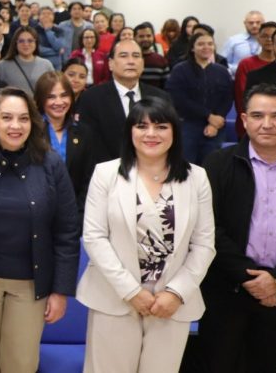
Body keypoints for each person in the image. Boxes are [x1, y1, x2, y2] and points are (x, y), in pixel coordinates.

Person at [77, 97, 215, 372]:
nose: (151, 134)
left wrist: (176, 293)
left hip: (170, 303)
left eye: (161, 126)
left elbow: (204, 244)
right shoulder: (106, 174)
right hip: (115, 297)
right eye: (142, 126)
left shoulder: (196, 177)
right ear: (130, 132)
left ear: (174, 132)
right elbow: (94, 237)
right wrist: (131, 291)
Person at [0, 88, 80, 373]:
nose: (15, 126)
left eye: (23, 119)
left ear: (32, 123)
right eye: (7, 117)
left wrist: (61, 290)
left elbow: (67, 231)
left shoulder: (51, 164)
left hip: (31, 285)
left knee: (20, 364)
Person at [199, 84, 276, 372]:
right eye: (257, 115)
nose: (267, 124)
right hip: (225, 293)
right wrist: (250, 278)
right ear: (244, 120)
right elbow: (207, 228)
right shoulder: (218, 164)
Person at [75, 40, 171, 164]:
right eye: (123, 56)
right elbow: (90, 144)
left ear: (142, 63)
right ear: (110, 63)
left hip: (153, 169)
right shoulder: (91, 98)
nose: (131, 61)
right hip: (108, 172)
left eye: (136, 56)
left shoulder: (161, 97)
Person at [167, 32, 233, 164]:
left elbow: (227, 97)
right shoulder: (180, 70)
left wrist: (217, 120)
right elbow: (179, 99)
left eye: (210, 44)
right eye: (201, 44)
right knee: (186, 166)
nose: (206, 47)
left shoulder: (222, 71)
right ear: (192, 48)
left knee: (212, 166)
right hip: (188, 125)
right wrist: (208, 116)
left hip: (216, 127)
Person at [34, 71, 96, 209]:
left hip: (75, 212)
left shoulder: (83, 132)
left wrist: (79, 212)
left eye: (64, 95)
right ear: (40, 99)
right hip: (37, 211)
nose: (59, 102)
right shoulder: (31, 132)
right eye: (51, 97)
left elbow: (89, 178)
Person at [233, 20, 276, 131]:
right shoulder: (246, 64)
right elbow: (241, 96)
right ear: (258, 39)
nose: (269, 40)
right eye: (265, 36)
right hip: (252, 123)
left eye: (273, 36)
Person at [0, 26, 55, 95]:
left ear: (36, 42)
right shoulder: (2, 66)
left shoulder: (46, 65)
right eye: (21, 41)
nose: (26, 44)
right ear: (15, 43)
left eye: (30, 41)